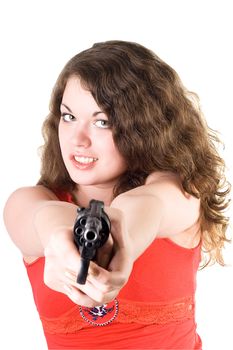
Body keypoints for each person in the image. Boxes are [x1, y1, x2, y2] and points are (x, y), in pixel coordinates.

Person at [3, 40, 230, 350]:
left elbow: (147, 206)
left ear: (144, 128)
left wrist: (121, 234)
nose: (78, 139)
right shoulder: (29, 201)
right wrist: (59, 237)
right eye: (69, 117)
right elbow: (44, 217)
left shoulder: (178, 191)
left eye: (102, 122)